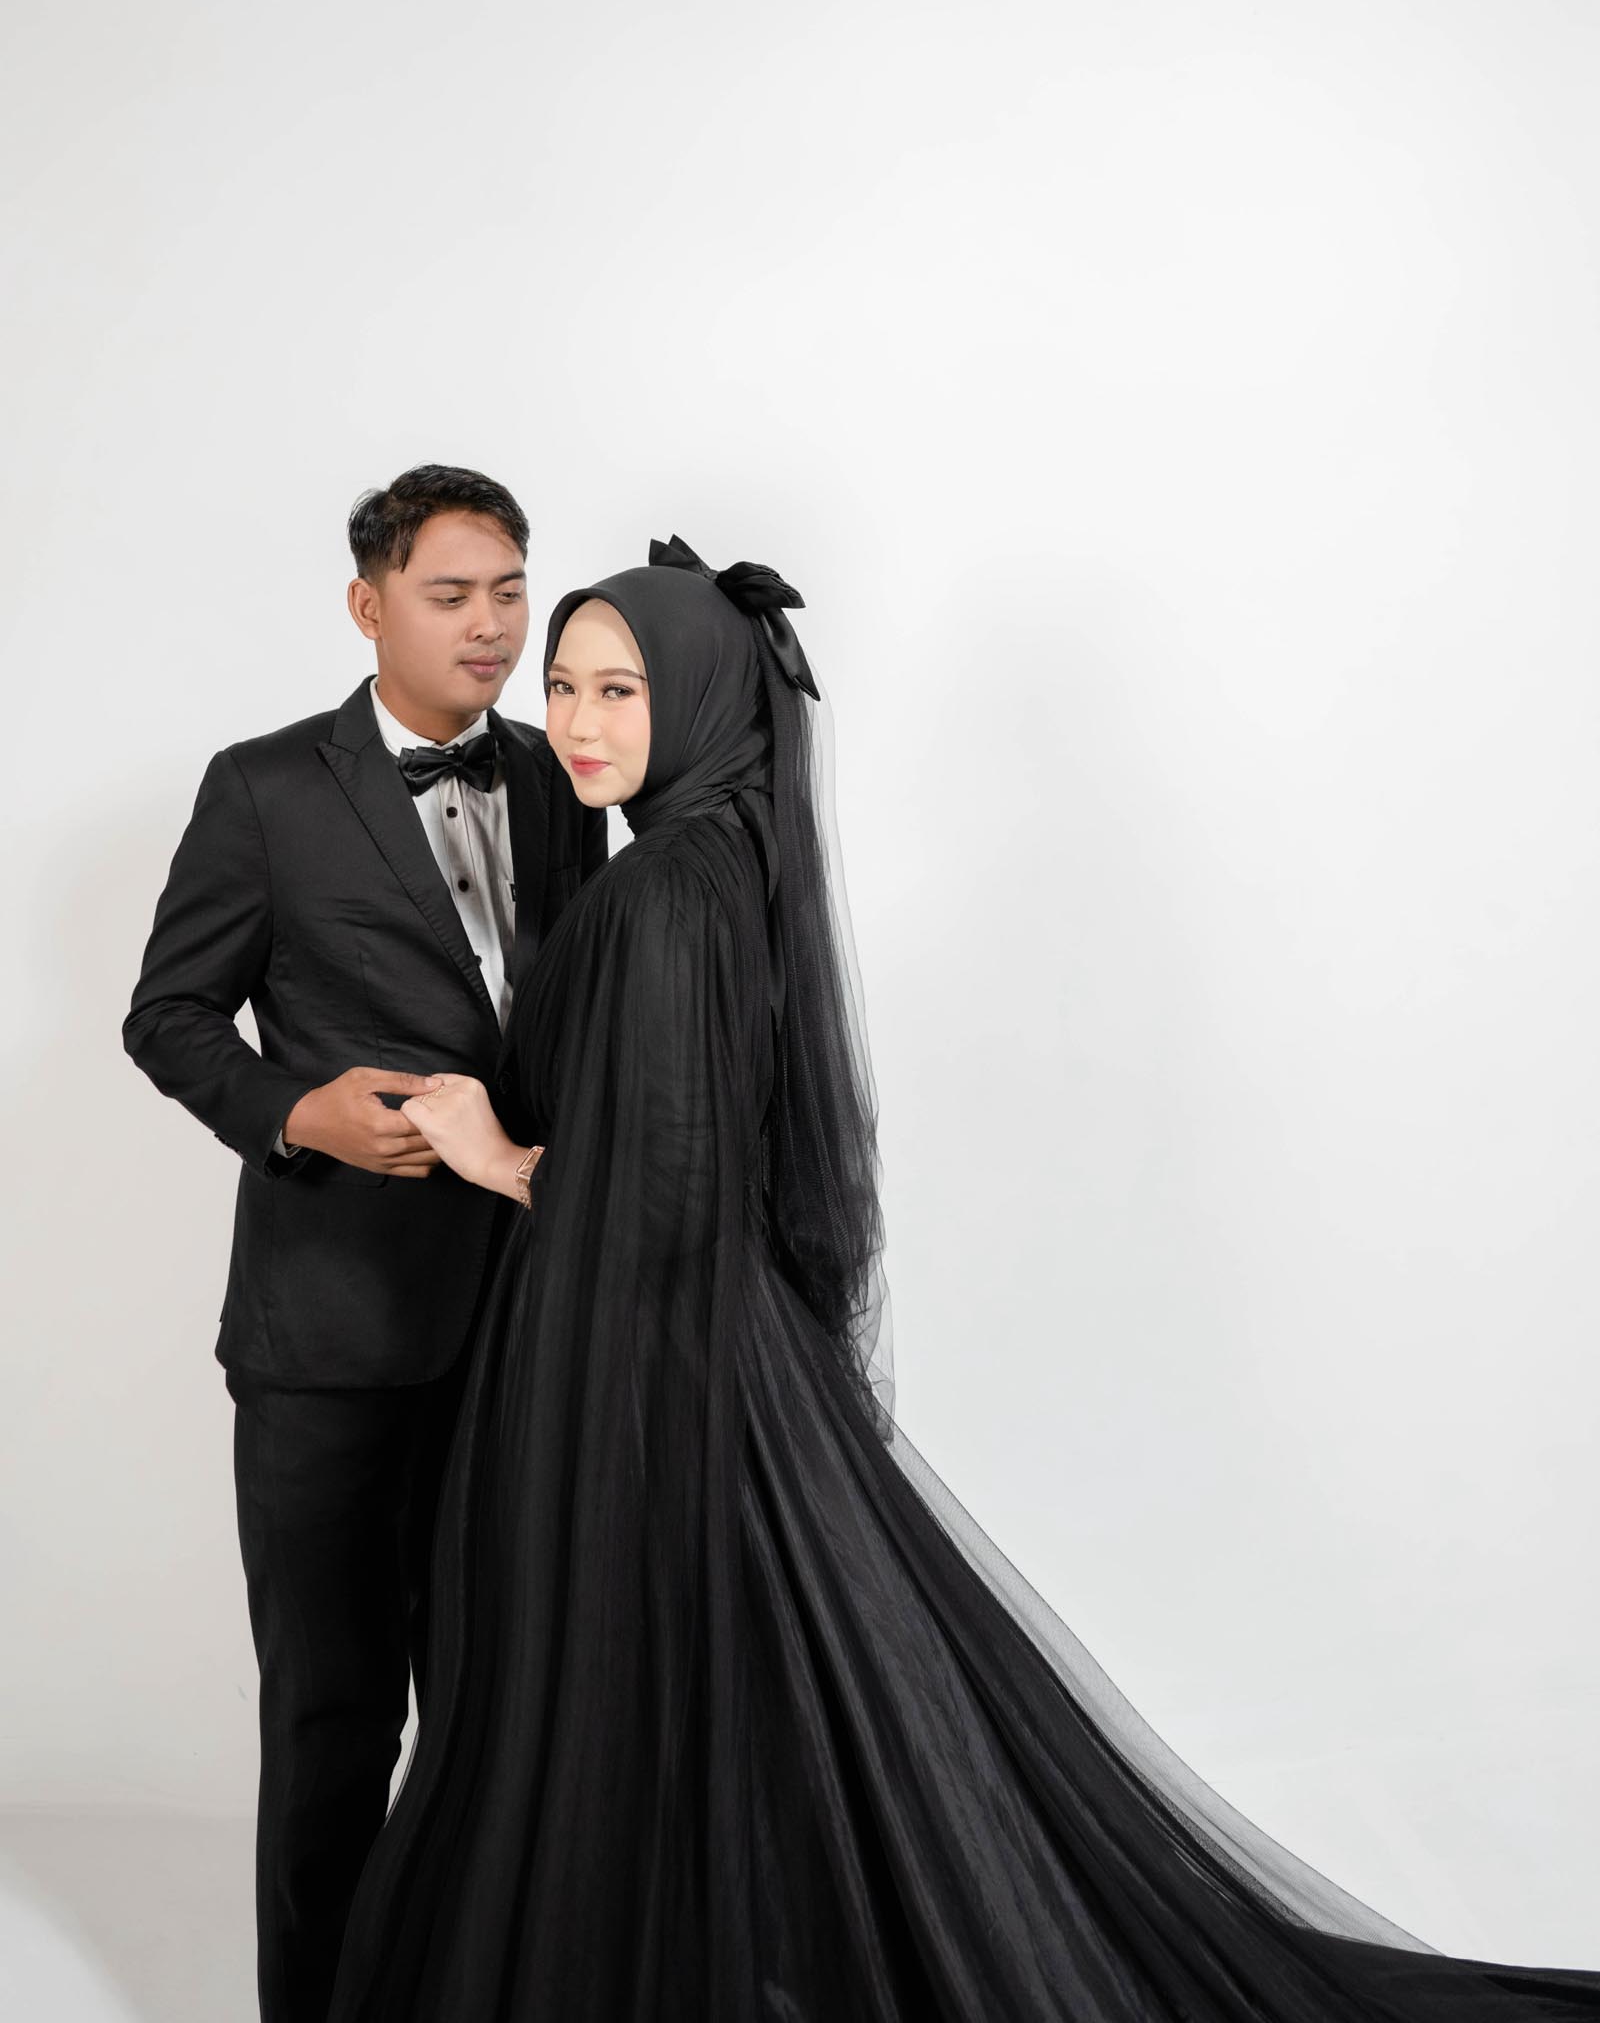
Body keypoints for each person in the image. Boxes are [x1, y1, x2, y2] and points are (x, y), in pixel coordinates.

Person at [326, 535, 1600, 2021]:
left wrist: (492, 1154)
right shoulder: (724, 859)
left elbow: (662, 1195)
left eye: (622, 689)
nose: (580, 721)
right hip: (705, 1345)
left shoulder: (663, 891)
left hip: (649, 1356)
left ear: (705, 698)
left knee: (647, 1693)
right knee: (751, 1694)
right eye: (563, 686)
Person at [120, 465, 608, 2023]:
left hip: (526, 1322)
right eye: (451, 594)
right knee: (333, 1723)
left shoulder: (561, 780)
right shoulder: (265, 789)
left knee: (505, 1709)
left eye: (510, 590)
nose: (491, 624)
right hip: (328, 1337)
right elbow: (169, 1017)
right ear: (368, 605)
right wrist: (297, 1113)